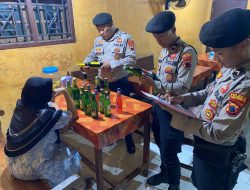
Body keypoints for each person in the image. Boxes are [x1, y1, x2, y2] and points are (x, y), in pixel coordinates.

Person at [157, 8, 250, 190]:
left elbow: (219, 134)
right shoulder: (232, 63)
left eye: (220, 53)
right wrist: (182, 100)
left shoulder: (246, 85)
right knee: (198, 181)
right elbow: (209, 91)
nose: (217, 60)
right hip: (203, 140)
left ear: (244, 45)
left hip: (218, 151)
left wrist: (179, 117)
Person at [140, 11, 197, 190]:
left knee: (169, 149)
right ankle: (165, 174)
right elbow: (165, 77)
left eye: (162, 35)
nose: (158, 39)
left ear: (173, 29)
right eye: (155, 36)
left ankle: (174, 183)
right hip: (159, 105)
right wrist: (152, 76)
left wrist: (155, 83)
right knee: (160, 143)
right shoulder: (164, 51)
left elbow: (182, 87)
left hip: (174, 110)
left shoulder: (186, 53)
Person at [4, 77, 81, 188]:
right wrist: (65, 92)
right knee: (74, 154)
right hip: (27, 171)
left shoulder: (21, 105)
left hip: (13, 163)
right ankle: (74, 186)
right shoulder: (47, 117)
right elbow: (73, 114)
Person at [82, 12, 136, 153]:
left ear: (111, 23)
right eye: (98, 29)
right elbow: (93, 54)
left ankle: (129, 139)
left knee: (123, 114)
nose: (101, 32)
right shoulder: (98, 40)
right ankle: (111, 137)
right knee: (105, 111)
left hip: (119, 82)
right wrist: (86, 63)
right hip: (102, 82)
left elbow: (131, 60)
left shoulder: (126, 38)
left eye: (103, 29)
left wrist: (112, 64)